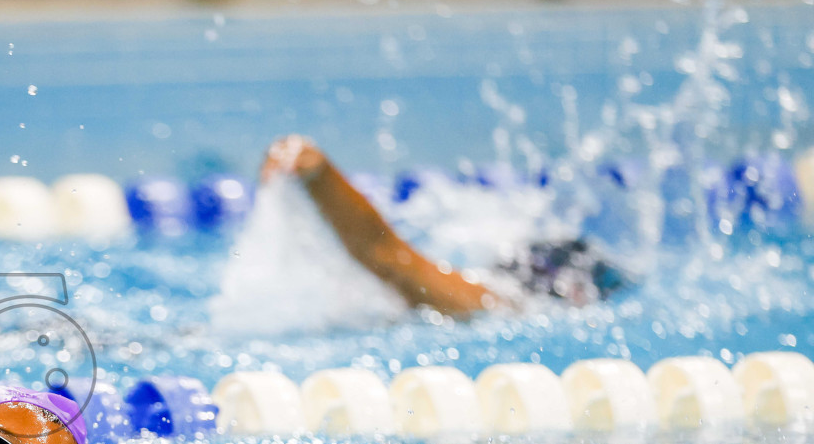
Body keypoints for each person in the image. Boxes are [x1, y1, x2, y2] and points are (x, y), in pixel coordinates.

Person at [261, 135, 629, 317]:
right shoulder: (493, 302)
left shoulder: (495, 302)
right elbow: (387, 255)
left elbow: (386, 256)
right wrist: (322, 176)